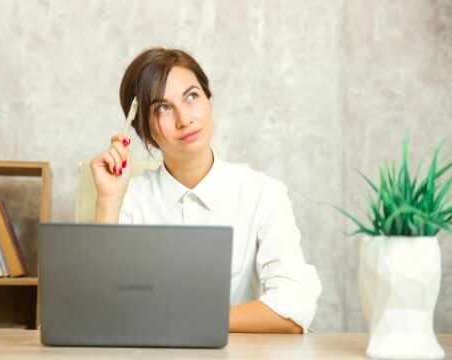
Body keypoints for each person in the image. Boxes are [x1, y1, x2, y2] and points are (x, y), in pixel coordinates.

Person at [90, 48, 322, 334]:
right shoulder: (128, 199)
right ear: (142, 131)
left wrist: (191, 322)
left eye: (191, 96)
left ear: (209, 101)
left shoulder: (264, 194)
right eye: (162, 107)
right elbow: (97, 310)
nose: (184, 119)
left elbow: (295, 307)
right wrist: (108, 201)